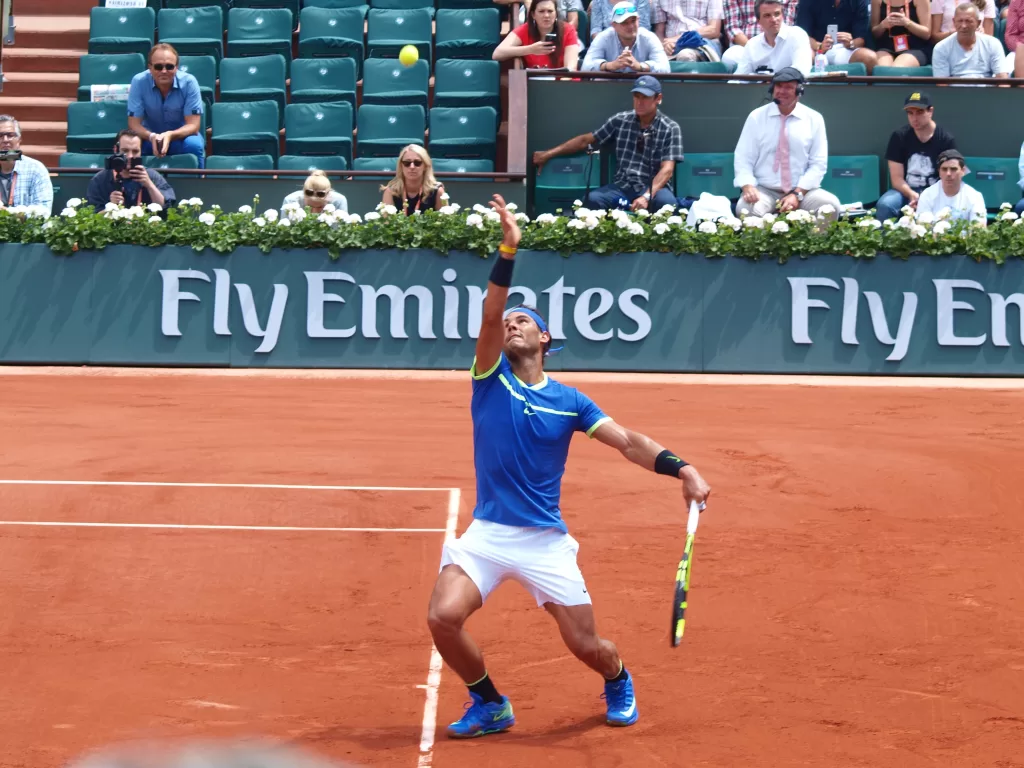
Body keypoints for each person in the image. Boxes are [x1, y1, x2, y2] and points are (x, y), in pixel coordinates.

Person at [428, 192, 711, 739]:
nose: (510, 324)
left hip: (544, 541)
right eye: (507, 321)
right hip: (488, 533)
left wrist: (684, 469)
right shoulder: (489, 379)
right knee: (442, 616)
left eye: (522, 321)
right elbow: (489, 312)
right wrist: (508, 249)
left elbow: (627, 442)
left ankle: (619, 676)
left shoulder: (572, 402)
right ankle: (490, 703)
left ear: (545, 338)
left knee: (586, 646)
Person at [533, 75, 683, 211]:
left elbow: (667, 170)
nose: (639, 102)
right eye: (636, 96)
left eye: (645, 97)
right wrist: (548, 154)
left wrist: (646, 196)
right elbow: (586, 140)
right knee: (593, 199)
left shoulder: (670, 127)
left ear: (658, 98)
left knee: (667, 203)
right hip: (622, 187)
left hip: (652, 187)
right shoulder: (621, 120)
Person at [733, 67, 840, 217]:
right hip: (764, 190)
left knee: (830, 206)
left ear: (800, 91)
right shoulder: (756, 117)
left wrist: (797, 194)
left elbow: (818, 164)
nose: (782, 91)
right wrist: (747, 186)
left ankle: (812, 241)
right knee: (746, 210)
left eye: (788, 87)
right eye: (779, 86)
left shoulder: (814, 119)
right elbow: (743, 157)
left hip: (801, 191)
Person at [876, 92, 957, 220]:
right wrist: (911, 194)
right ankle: (884, 240)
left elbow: (949, 176)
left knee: (951, 209)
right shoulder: (899, 136)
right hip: (904, 191)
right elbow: (896, 179)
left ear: (930, 111)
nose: (914, 118)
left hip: (936, 192)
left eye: (919, 112)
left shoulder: (945, 139)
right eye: (910, 113)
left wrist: (926, 197)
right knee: (886, 205)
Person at [127, 44, 206, 168]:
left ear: (176, 67)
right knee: (130, 145)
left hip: (181, 136)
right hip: (149, 136)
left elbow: (193, 125)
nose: (164, 71)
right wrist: (152, 136)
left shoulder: (189, 82)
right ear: (150, 67)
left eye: (169, 66)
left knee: (194, 145)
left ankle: (200, 182)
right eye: (158, 67)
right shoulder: (139, 81)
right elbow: (134, 124)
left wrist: (170, 135)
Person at [86, 129, 176, 210]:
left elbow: (166, 209)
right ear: (115, 150)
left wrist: (149, 185)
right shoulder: (100, 179)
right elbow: (95, 218)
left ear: (141, 152)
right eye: (125, 151)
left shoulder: (152, 176)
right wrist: (111, 207)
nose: (130, 156)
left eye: (135, 151)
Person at [728, 0, 814, 74]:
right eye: (767, 15)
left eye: (777, 14)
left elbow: (801, 71)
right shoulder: (752, 45)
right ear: (758, 21)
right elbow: (740, 78)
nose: (773, 19)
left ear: (782, 16)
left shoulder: (797, 35)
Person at [583, 2, 672, 71]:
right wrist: (610, 65)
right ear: (613, 25)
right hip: (610, 85)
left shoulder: (649, 37)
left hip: (640, 89)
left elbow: (665, 68)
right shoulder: (603, 37)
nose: (630, 26)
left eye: (633, 21)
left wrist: (640, 66)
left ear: (638, 20)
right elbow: (586, 67)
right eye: (624, 23)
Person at [493, 0, 581, 69]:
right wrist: (530, 49)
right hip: (536, 84)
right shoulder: (525, 29)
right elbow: (497, 53)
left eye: (550, 11)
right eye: (541, 11)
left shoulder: (568, 30)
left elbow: (571, 68)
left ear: (556, 14)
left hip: (563, 84)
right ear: (533, 14)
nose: (546, 15)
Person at [796, 0, 878, 72]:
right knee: (804, 56)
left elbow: (862, 37)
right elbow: (803, 34)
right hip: (815, 48)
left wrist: (851, 43)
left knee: (869, 58)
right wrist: (819, 46)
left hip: (844, 49)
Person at [931, 2, 1008, 78]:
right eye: (960, 21)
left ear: (978, 23)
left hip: (986, 89)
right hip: (955, 89)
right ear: (954, 22)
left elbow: (1002, 79)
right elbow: (942, 85)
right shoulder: (941, 48)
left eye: (968, 21)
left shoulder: (993, 44)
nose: (964, 26)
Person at [915, 149, 987, 223]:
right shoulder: (927, 195)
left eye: (953, 169)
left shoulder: (975, 197)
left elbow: (979, 229)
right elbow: (923, 226)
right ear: (939, 172)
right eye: (944, 169)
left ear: (963, 171)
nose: (948, 173)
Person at [0, 115, 53, 216]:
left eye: (10, 135)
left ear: (19, 140)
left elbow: (44, 213)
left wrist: (6, 214)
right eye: (0, 136)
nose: (5, 140)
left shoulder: (36, 169)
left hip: (24, 230)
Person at [381, 145, 446, 215]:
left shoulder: (437, 191)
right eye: (407, 163)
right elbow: (387, 224)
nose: (412, 167)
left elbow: (445, 222)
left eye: (417, 163)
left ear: (425, 166)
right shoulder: (391, 191)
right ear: (401, 166)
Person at [653, 0, 725, 61]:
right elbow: (659, 31)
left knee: (685, 55)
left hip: (702, 43)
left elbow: (714, 30)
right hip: (673, 47)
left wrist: (681, 38)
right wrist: (665, 46)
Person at [870, 0, 933, 68]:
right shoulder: (876, 1)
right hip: (886, 48)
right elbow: (874, 34)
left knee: (898, 68)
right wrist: (883, 25)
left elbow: (927, 34)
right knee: (882, 68)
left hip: (915, 48)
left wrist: (907, 23)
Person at [281, 170, 348, 216]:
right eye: (309, 207)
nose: (314, 212)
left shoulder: (339, 201)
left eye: (320, 207)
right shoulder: (290, 201)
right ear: (303, 195)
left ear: (329, 195)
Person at [590, 0, 654, 39]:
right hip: (607, 46)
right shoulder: (598, 1)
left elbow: (643, 28)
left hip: (636, 45)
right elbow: (596, 30)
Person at [1001, 0, 1024, 77]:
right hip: (1020, 49)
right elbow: (1010, 35)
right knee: (1003, 74)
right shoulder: (1016, 2)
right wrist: (1020, 49)